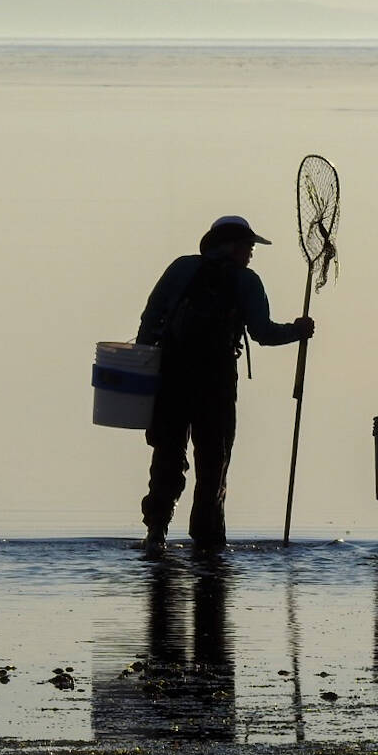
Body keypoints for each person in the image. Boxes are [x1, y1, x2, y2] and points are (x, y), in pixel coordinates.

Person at [136, 215, 314, 555]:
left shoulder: (181, 269)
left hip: (171, 377)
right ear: (231, 246)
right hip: (215, 382)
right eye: (248, 246)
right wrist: (298, 330)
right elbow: (263, 333)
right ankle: (208, 541)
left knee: (167, 455)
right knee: (213, 462)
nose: (251, 253)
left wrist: (146, 372)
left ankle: (156, 531)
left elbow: (150, 319)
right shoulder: (246, 281)